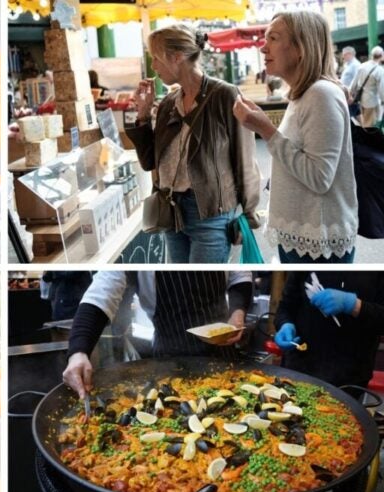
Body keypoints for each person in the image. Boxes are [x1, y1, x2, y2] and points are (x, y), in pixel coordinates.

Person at [127, 24, 261, 264]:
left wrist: (249, 213)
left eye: (156, 58)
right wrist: (144, 115)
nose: (154, 66)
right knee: (182, 286)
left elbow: (245, 159)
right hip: (170, 212)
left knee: (203, 287)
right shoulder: (168, 103)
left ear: (177, 57)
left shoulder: (225, 95)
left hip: (210, 213)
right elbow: (149, 161)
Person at [233, 11, 357, 263]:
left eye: (274, 38)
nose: (263, 47)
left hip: (318, 243)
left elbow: (319, 177)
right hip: (300, 235)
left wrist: (266, 130)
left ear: (301, 48)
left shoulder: (320, 94)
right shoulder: (303, 95)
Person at [62, 271, 252, 398]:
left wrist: (237, 312)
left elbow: (239, 275)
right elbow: (101, 294)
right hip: (167, 367)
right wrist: (78, 351)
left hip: (223, 357)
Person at [274, 272, 384, 390]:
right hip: (297, 369)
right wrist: (285, 324)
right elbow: (286, 306)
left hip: (349, 378)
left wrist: (355, 305)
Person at [349, 46, 384, 128]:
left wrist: (351, 94)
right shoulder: (380, 70)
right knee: (369, 125)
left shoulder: (362, 66)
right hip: (372, 101)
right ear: (381, 55)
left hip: (360, 99)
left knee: (364, 121)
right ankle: (367, 140)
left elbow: (354, 83)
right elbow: (382, 89)